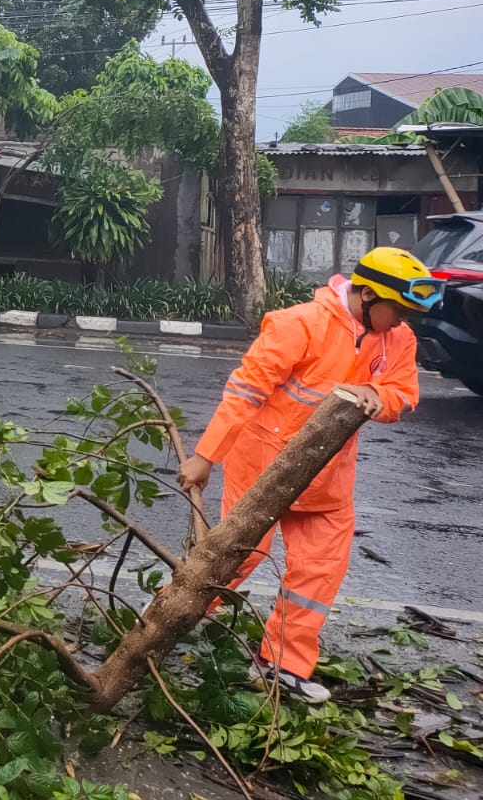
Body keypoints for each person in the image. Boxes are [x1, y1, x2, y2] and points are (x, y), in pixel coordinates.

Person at [176, 246, 442, 704]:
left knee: (319, 572)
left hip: (328, 476)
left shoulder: (398, 340)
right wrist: (206, 456)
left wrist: (378, 393)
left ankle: (282, 666)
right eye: (397, 311)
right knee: (240, 555)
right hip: (262, 465)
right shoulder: (297, 324)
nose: (402, 322)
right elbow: (245, 391)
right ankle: (170, 617)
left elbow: (406, 395)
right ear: (366, 294)